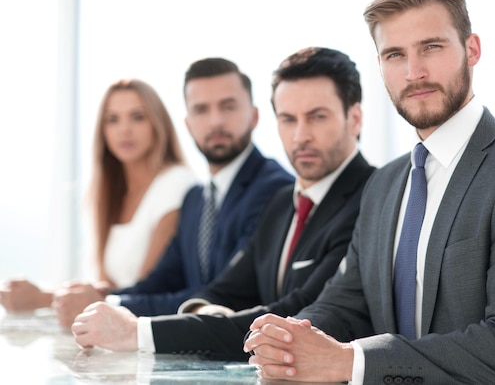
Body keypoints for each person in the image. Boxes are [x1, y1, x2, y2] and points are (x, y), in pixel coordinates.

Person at [244, 0, 495, 384]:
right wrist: (291, 341)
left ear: (471, 50)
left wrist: (349, 362)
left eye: (431, 47)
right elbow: (346, 304)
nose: (413, 71)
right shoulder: (385, 184)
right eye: (394, 55)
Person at [70, 47, 376, 360]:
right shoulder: (283, 202)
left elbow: (295, 314)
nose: (300, 136)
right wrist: (204, 309)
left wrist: (138, 332)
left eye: (318, 117)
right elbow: (225, 290)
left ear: (354, 118)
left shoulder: (373, 197)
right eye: (287, 119)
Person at [51, 58, 294, 328]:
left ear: (254, 116)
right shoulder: (195, 199)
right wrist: (103, 297)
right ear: (188, 124)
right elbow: (164, 280)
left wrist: (110, 305)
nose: (215, 121)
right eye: (201, 110)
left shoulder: (276, 190)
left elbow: (225, 296)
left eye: (228, 106)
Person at [0, 79, 196, 313]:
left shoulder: (176, 184)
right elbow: (106, 288)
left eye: (137, 116)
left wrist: (43, 298)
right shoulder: (109, 193)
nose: (124, 129)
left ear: (158, 122)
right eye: (113, 119)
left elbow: (147, 290)